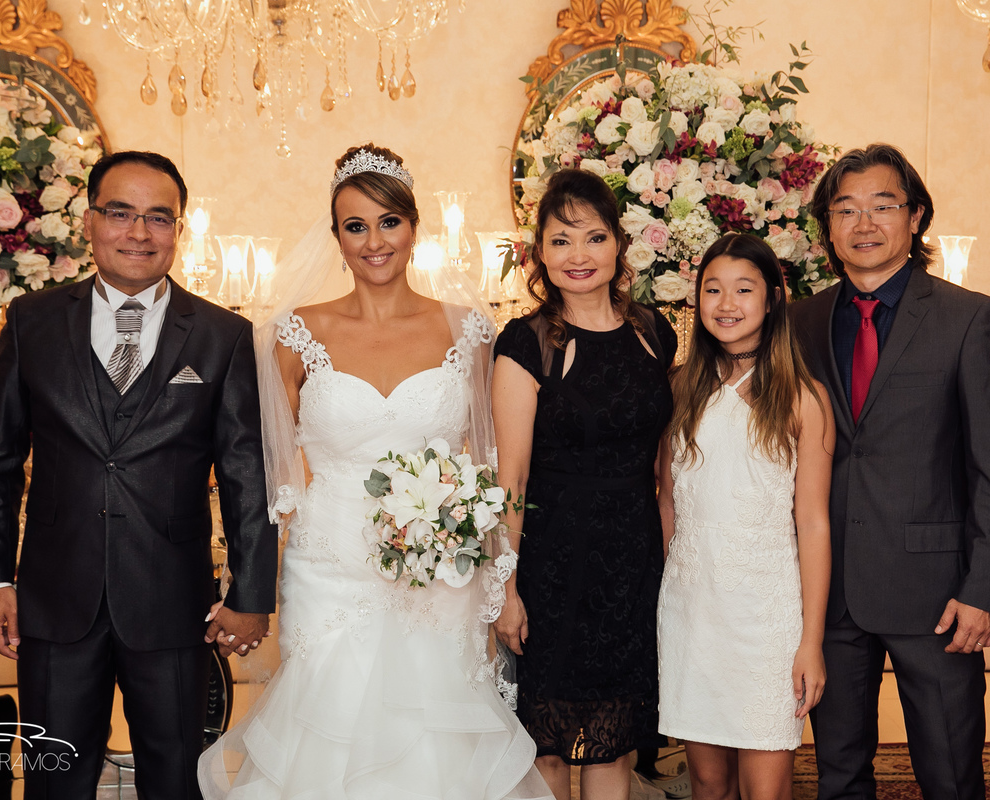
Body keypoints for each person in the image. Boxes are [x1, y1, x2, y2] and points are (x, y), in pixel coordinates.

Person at [197, 144, 551, 799]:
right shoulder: (293, 333)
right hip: (329, 566)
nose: (374, 241)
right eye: (355, 226)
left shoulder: (471, 331)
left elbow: (489, 464)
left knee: (436, 733)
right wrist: (249, 584)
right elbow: (270, 474)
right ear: (335, 238)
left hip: (443, 567)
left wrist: (502, 574)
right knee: (327, 722)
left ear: (413, 228)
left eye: (389, 221)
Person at [0, 150, 278, 799]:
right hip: (54, 598)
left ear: (178, 230)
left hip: (172, 600)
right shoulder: (31, 321)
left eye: (158, 218)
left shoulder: (223, 336)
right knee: (57, 779)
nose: (139, 233)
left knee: (174, 777)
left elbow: (248, 473)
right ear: (89, 222)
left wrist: (252, 593)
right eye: (121, 213)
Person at [789, 143, 990, 800]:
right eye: (846, 209)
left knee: (949, 774)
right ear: (828, 228)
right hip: (827, 592)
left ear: (915, 217)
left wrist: (984, 588)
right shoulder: (798, 322)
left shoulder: (969, 319)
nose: (865, 224)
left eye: (883, 206)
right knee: (836, 774)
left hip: (937, 596)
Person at [492, 168, 677, 800]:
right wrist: (506, 587)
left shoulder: (654, 332)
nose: (578, 256)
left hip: (632, 558)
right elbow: (510, 479)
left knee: (615, 738)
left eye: (593, 238)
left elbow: (665, 463)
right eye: (561, 240)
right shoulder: (526, 342)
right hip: (551, 561)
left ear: (618, 246)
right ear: (539, 250)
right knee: (547, 744)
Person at [656, 233, 833, 800]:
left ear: (773, 299)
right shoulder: (680, 389)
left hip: (766, 619)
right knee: (707, 781)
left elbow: (814, 524)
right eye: (712, 289)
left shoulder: (803, 397)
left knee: (766, 787)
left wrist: (810, 641)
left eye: (743, 289)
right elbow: (666, 500)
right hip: (691, 612)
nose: (726, 303)